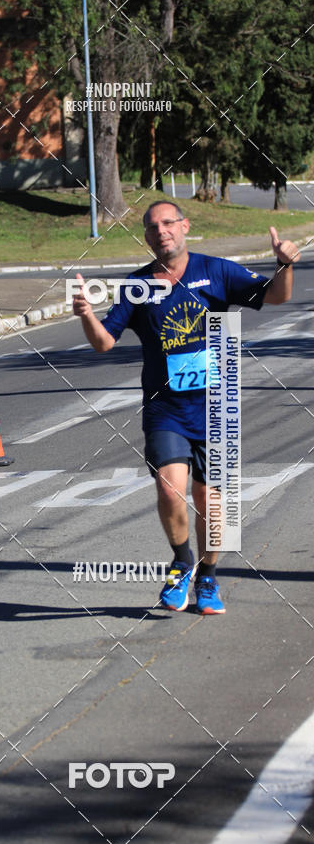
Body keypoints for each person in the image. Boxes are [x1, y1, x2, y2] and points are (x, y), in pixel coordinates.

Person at [73, 200, 299, 615]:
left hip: (217, 407)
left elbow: (276, 298)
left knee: (212, 505)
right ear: (147, 237)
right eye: (153, 227)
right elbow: (104, 341)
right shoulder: (138, 286)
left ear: (185, 226)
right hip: (166, 409)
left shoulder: (216, 271)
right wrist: (86, 314)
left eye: (169, 223)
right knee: (169, 487)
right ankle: (181, 561)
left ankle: (208, 576)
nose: (162, 231)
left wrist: (284, 266)